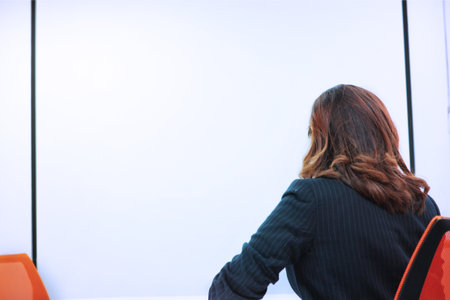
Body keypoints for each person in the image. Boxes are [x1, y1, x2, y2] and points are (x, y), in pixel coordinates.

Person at [208, 84, 440, 299]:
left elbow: (229, 289)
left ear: (321, 140)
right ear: (384, 134)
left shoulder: (310, 199)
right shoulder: (425, 206)